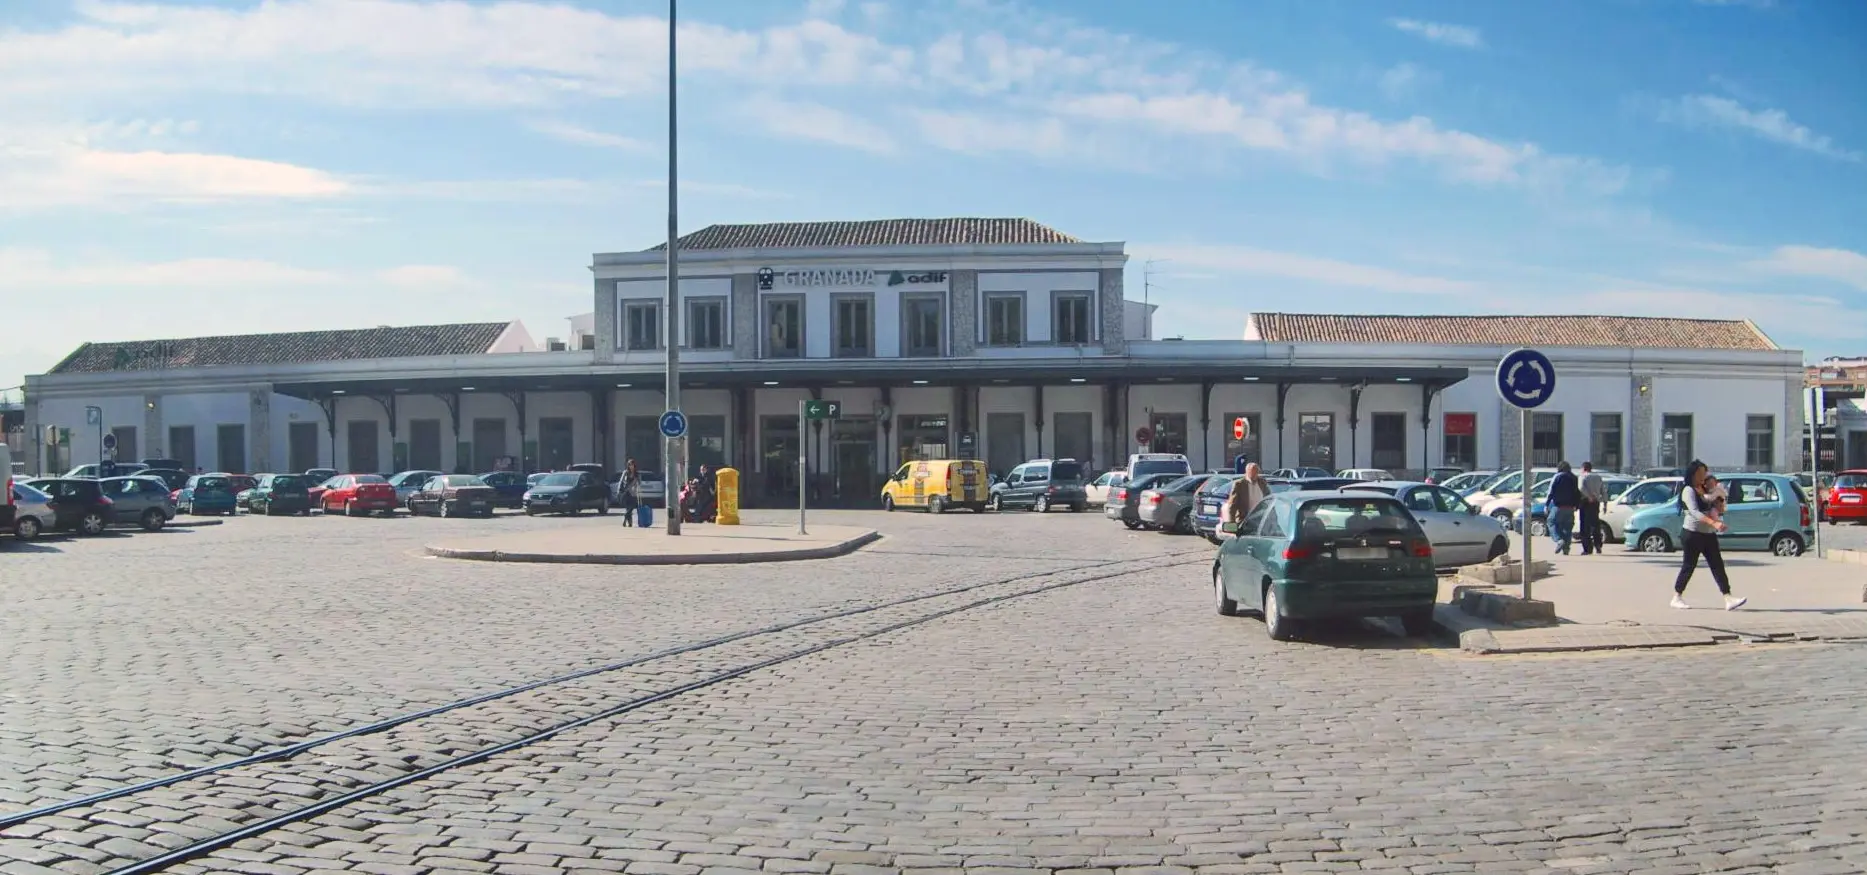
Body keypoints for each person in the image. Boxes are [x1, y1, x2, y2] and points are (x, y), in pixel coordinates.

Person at [1673, 460, 1746, 610]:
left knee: (1717, 564)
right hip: (1692, 534)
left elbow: (1715, 505)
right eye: (1700, 473)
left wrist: (1720, 506)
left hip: (1708, 534)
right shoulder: (1688, 490)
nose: (1703, 476)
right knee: (1689, 565)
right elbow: (1694, 512)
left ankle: (1728, 597)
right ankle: (1676, 596)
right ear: (1692, 474)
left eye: (1704, 473)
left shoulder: (1705, 489)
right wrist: (1714, 523)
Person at [1221, 462, 1271, 535]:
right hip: (1245, 522)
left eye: (1256, 472)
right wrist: (1232, 525)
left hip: (1261, 521)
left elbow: (1269, 499)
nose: (1254, 475)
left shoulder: (1262, 482)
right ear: (1247, 472)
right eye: (1252, 472)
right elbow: (1232, 506)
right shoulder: (1239, 485)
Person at [1545, 461, 1580, 555]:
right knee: (1567, 528)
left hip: (1558, 506)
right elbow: (1577, 492)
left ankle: (1558, 540)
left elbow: (1550, 491)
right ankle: (1566, 549)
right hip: (1570, 507)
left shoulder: (1557, 476)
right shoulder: (1574, 477)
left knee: (1551, 522)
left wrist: (1546, 504)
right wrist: (1577, 505)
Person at [1577, 461, 1606, 555]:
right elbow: (1603, 491)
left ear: (1583, 468)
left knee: (1585, 526)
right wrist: (1605, 504)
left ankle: (1587, 548)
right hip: (1596, 503)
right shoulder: (1598, 477)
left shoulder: (1583, 476)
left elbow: (1581, 487)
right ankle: (1598, 544)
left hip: (1586, 502)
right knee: (1595, 524)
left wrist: (1589, 496)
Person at [618, 459, 640, 527]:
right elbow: (621, 481)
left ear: (634, 466)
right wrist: (619, 490)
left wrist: (637, 484)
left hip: (633, 493)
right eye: (630, 465)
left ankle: (625, 518)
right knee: (628, 508)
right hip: (626, 492)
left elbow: (639, 482)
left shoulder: (637, 473)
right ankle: (630, 523)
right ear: (628, 466)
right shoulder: (625, 472)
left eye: (632, 465)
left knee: (631, 507)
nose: (631, 466)